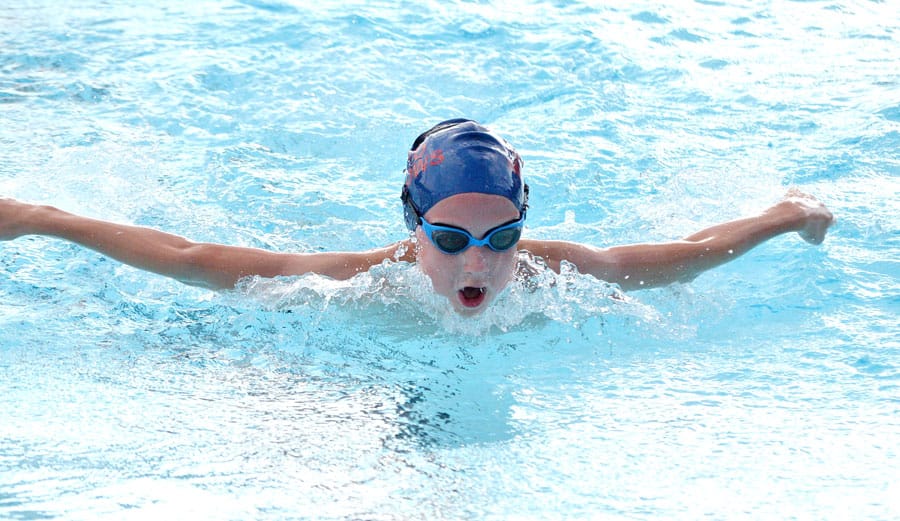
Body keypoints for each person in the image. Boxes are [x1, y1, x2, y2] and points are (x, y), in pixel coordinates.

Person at [0, 119, 833, 315]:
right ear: (413, 232)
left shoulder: (557, 274)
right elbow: (190, 255)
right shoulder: (358, 284)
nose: (481, 263)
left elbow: (686, 253)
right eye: (451, 240)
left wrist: (787, 214)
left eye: (501, 237)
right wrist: (40, 216)